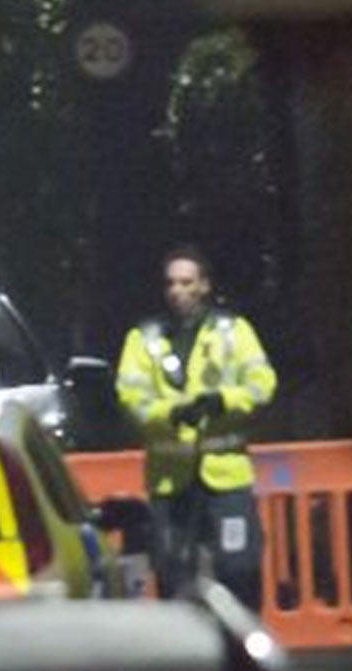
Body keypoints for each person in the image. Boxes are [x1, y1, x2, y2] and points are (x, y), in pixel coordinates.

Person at [115, 244, 278, 608]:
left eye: (187, 282)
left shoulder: (233, 331)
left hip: (226, 477)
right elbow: (132, 398)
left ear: (204, 285)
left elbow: (261, 383)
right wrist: (172, 415)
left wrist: (223, 402)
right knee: (172, 570)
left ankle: (242, 644)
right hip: (171, 480)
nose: (178, 291)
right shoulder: (145, 338)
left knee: (240, 568)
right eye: (171, 283)